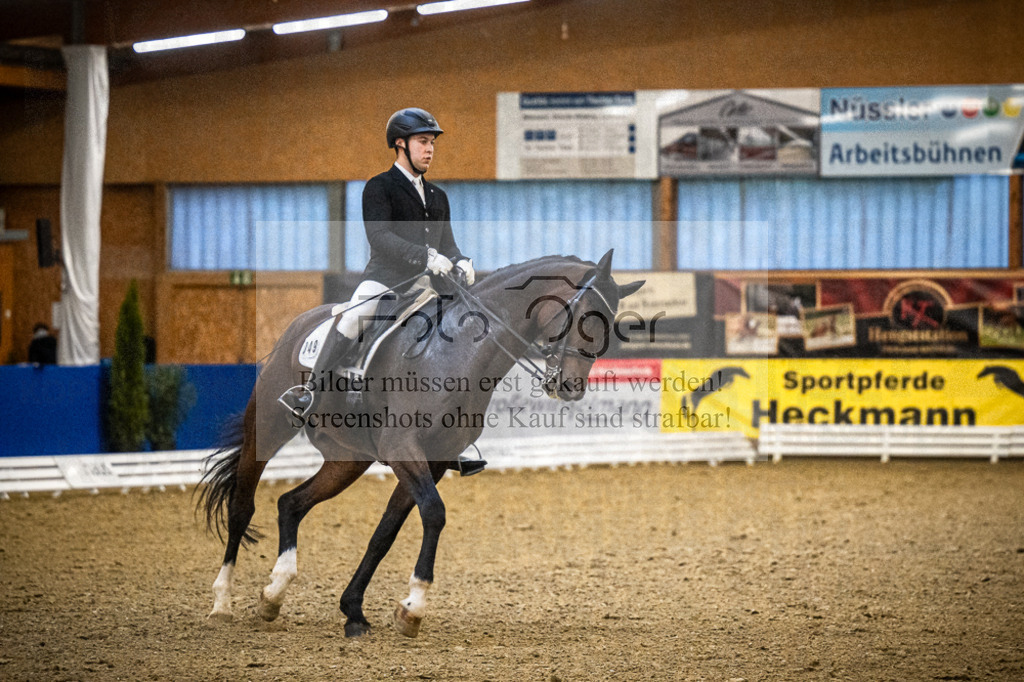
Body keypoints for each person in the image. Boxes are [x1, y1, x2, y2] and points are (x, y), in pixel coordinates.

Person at [280, 108, 482, 474]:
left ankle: (449, 436)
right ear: (400, 145)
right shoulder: (379, 187)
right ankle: (310, 392)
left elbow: (449, 244)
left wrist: (462, 260)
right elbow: (380, 237)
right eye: (423, 142)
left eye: (432, 143)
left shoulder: (438, 196)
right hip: (386, 280)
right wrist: (424, 256)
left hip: (428, 288)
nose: (430, 149)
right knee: (357, 315)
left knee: (456, 331)